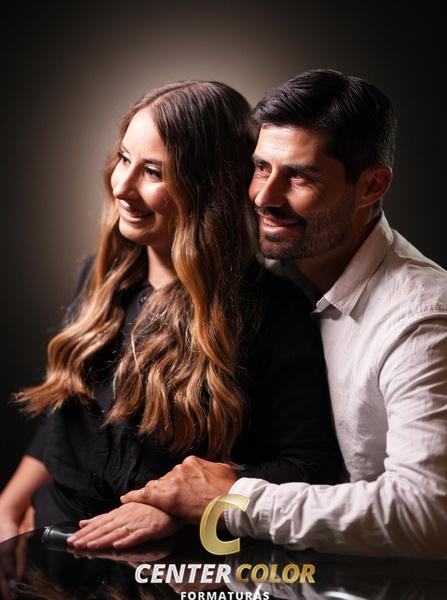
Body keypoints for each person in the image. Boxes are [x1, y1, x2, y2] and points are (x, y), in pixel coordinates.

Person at [120, 70, 447, 559]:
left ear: (372, 185)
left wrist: (228, 501)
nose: (264, 197)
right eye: (260, 167)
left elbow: (428, 515)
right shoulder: (267, 269)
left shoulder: (423, 320)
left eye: (300, 176)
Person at [0, 80, 342, 548]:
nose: (122, 186)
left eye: (153, 172)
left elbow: (309, 466)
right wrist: (10, 501)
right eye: (124, 159)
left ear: (209, 188)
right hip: (55, 546)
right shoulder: (101, 279)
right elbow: (71, 414)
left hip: (161, 567)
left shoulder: (271, 312)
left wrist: (179, 509)